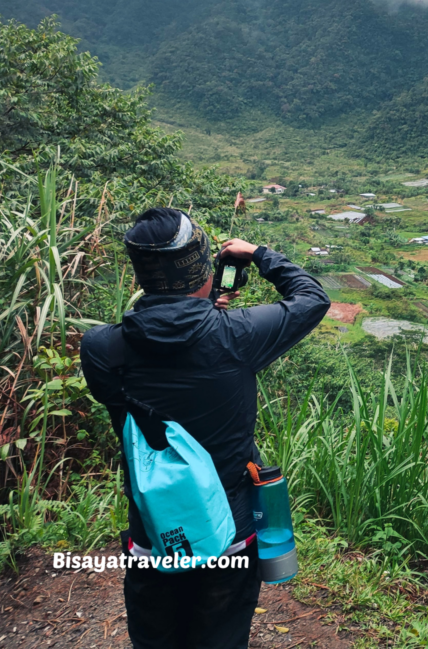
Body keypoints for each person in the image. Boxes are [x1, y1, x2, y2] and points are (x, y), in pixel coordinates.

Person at [80, 208, 330, 649]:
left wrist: (194, 311)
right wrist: (258, 253)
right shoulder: (237, 334)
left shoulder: (100, 348)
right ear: (202, 268)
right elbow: (312, 297)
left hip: (155, 537)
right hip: (229, 536)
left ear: (141, 275)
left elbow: (142, 365)